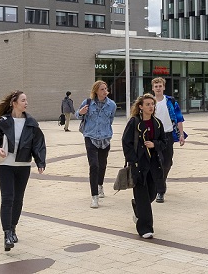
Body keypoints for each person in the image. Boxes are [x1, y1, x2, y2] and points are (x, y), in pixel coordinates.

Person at [0, 90, 46, 251]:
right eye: (23, 100)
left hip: (23, 166)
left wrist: (40, 161)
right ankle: (6, 234)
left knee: (18, 199)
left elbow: (38, 144)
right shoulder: (4, 121)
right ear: (14, 103)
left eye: (26, 100)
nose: (26, 103)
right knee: (7, 198)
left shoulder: (31, 123)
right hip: (6, 165)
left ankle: (13, 228)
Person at [123, 94, 168, 239]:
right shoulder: (134, 122)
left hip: (154, 164)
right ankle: (145, 228)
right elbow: (126, 142)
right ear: (140, 107)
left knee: (152, 194)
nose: (151, 107)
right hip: (139, 164)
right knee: (143, 197)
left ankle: (137, 206)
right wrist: (133, 160)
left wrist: (155, 144)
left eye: (152, 104)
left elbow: (164, 142)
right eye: (147, 104)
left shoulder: (157, 123)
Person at [76, 80, 117, 209]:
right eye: (102, 89)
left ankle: (100, 185)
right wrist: (80, 113)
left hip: (105, 137)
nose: (105, 92)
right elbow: (78, 115)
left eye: (106, 89)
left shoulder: (112, 105)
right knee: (94, 165)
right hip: (90, 136)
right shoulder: (88, 103)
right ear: (96, 91)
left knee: (102, 164)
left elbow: (110, 120)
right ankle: (94, 196)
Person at [151, 77, 185, 203]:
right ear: (153, 88)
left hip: (168, 135)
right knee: (157, 162)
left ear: (164, 87)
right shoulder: (149, 102)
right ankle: (160, 190)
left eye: (160, 86)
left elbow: (179, 118)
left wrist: (181, 134)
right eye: (156, 86)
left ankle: (161, 181)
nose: (158, 88)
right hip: (154, 136)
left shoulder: (170, 101)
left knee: (167, 162)